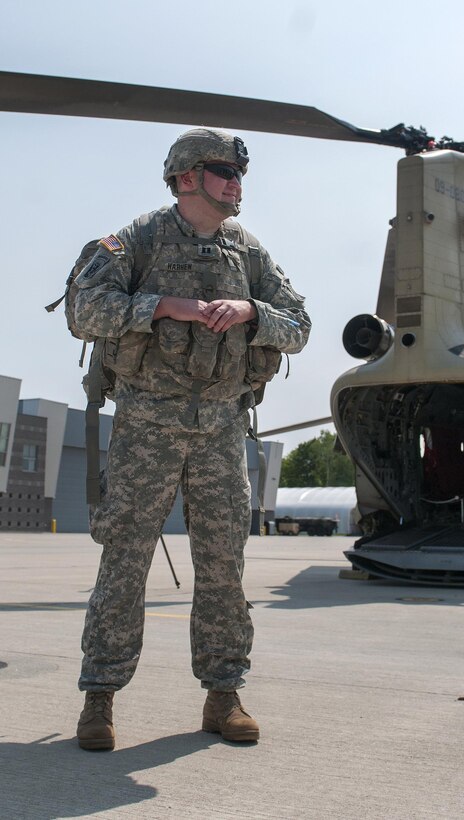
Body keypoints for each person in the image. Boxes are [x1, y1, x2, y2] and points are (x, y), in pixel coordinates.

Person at [73, 128, 311, 750]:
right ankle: (99, 698)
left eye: (239, 173)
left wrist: (251, 313)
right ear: (184, 178)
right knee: (124, 560)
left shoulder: (248, 253)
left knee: (223, 566)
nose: (236, 182)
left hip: (220, 430)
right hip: (147, 424)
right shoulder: (137, 239)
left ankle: (223, 694)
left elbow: (299, 326)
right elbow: (83, 309)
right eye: (221, 171)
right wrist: (162, 306)